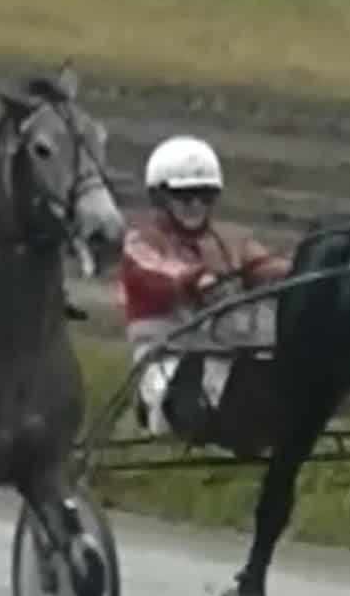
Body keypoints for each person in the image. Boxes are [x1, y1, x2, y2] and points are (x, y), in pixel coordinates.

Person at [119, 135, 286, 438]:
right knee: (189, 387)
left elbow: (269, 268)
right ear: (160, 198)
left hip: (230, 358)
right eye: (184, 197)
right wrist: (196, 279)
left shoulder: (232, 241)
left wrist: (303, 270)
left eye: (204, 196)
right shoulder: (141, 243)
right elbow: (158, 274)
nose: (195, 205)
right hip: (165, 360)